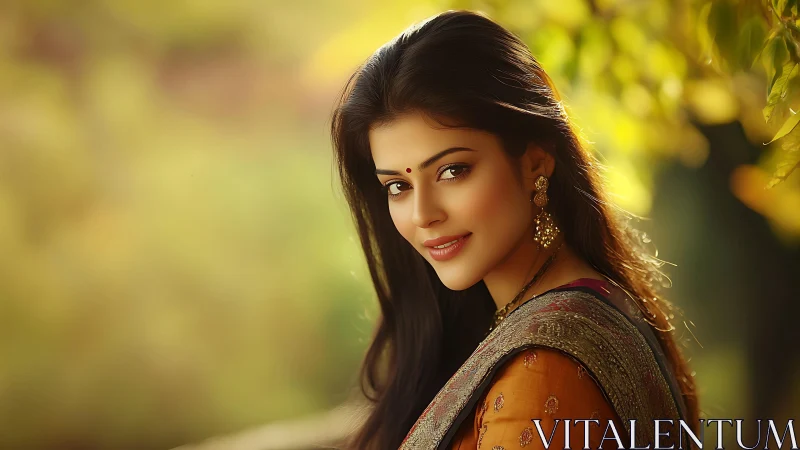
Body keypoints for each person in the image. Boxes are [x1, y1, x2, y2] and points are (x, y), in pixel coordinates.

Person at [330, 10, 700, 450]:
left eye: (452, 171)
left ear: (535, 160)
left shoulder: (541, 374)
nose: (423, 214)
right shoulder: (587, 311)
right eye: (398, 186)